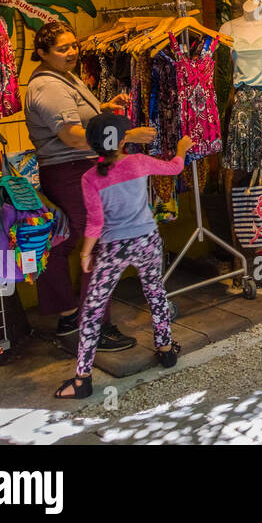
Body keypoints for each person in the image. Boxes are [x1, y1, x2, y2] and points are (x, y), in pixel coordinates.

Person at [24, 21, 155, 351]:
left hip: (68, 169)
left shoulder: (63, 77)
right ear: (41, 53)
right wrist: (126, 137)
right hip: (71, 170)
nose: (71, 52)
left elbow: (77, 122)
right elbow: (71, 135)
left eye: (73, 45)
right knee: (98, 244)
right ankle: (96, 326)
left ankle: (69, 313)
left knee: (62, 242)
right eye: (62, 48)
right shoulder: (48, 87)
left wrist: (104, 110)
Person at [55, 116, 189, 399]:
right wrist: (181, 148)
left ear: (91, 145)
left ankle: (82, 379)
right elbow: (175, 168)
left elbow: (95, 222)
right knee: (155, 293)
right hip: (147, 240)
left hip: (112, 247)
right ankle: (166, 351)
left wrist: (85, 253)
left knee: (92, 309)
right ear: (124, 140)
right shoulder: (138, 162)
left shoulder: (89, 178)